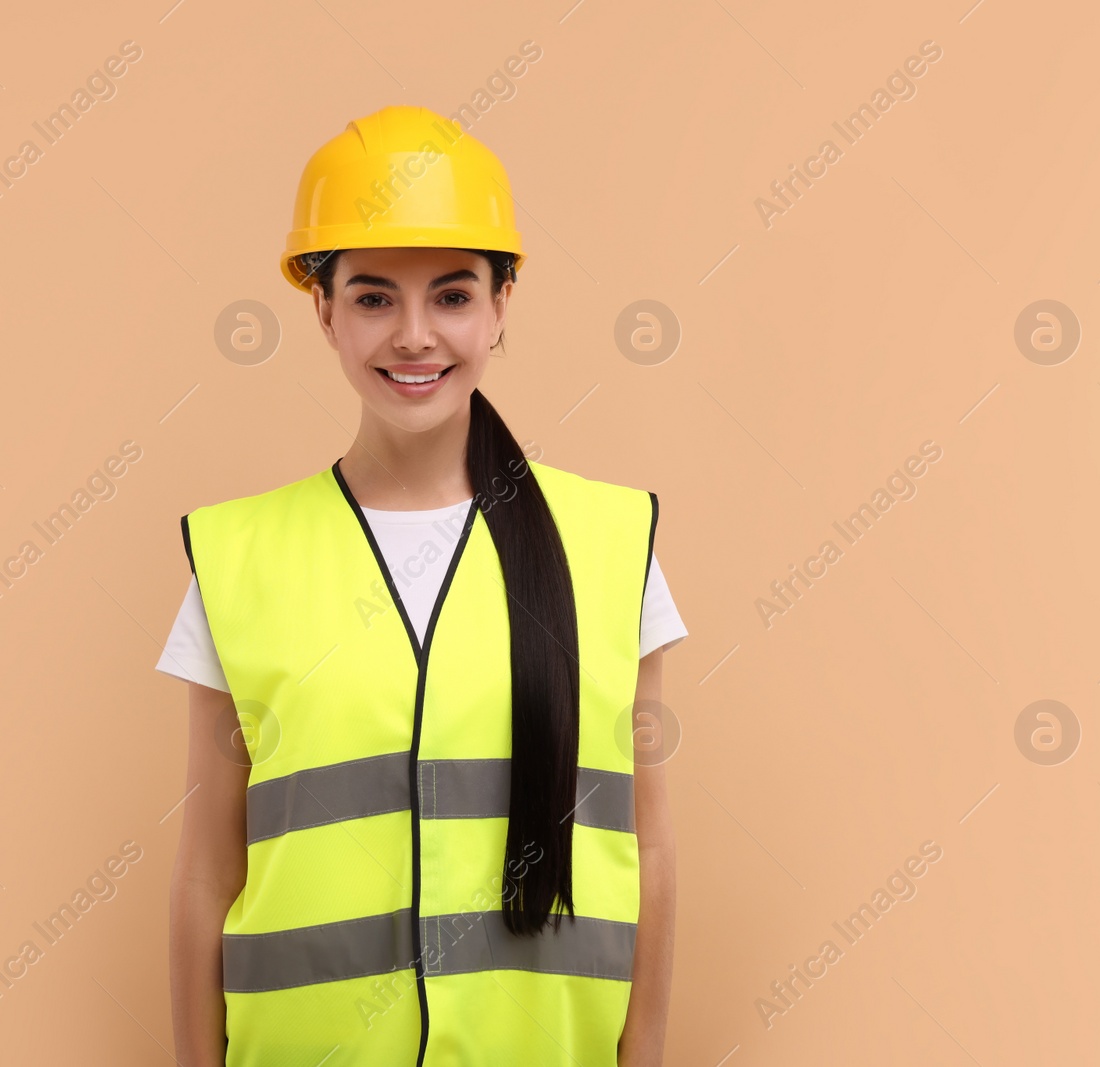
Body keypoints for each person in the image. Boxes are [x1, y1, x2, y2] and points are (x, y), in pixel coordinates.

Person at [158, 105, 687, 1066]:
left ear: (500, 306)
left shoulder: (611, 545)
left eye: (450, 296)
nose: (413, 337)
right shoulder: (239, 558)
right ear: (321, 308)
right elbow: (205, 873)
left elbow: (648, 847)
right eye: (371, 298)